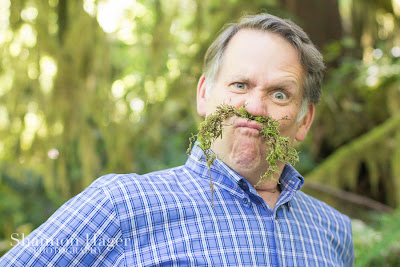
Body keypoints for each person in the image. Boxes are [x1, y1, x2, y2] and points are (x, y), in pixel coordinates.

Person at [0, 13, 354, 266]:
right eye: (240, 85)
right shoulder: (119, 207)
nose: (255, 107)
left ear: (304, 119)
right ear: (204, 94)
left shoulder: (333, 231)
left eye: (279, 94)